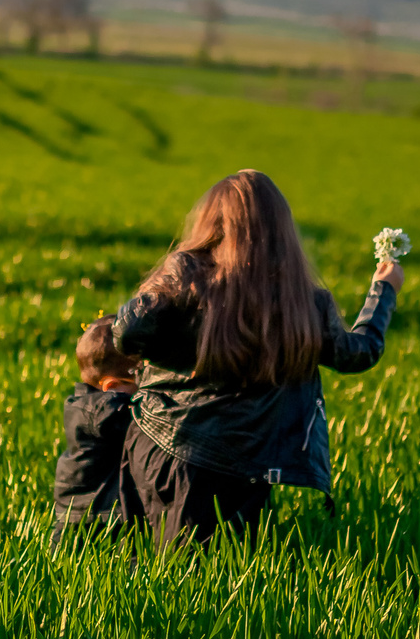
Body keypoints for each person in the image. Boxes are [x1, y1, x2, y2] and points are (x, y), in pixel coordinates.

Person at [112, 170, 402, 547]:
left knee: (142, 560)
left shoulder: (186, 276)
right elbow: (359, 353)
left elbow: (126, 335)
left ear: (211, 225)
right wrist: (383, 291)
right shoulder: (305, 304)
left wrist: (163, 289)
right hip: (241, 463)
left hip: (156, 439)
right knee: (209, 572)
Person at [50, 316, 138, 545]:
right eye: (141, 382)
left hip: (79, 520)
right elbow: (139, 420)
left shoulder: (83, 406)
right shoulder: (103, 410)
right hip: (94, 525)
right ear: (112, 387)